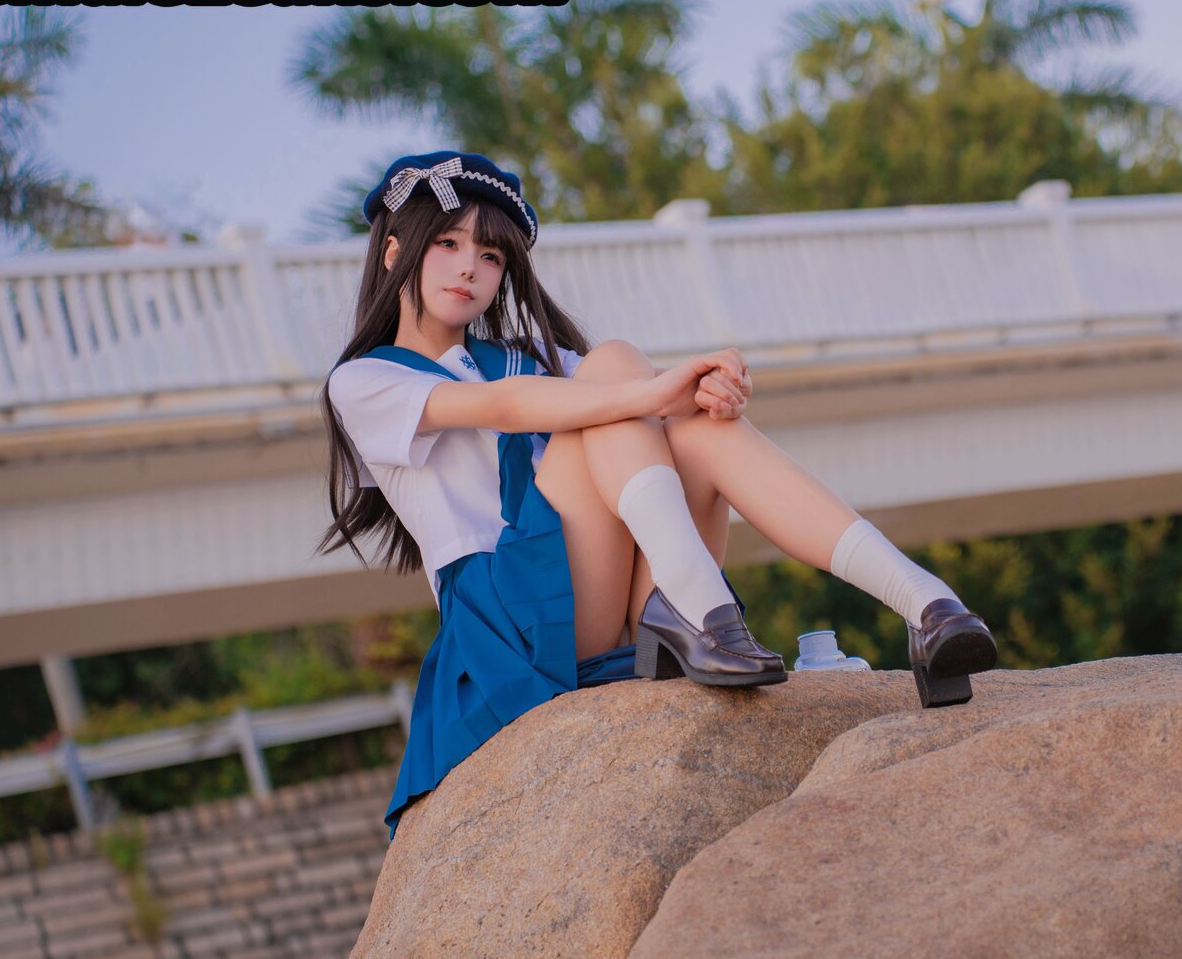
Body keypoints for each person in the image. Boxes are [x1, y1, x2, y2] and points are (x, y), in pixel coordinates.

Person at [318, 151, 997, 839]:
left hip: (609, 598)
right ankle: (702, 606)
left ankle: (927, 606)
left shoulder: (528, 356)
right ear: (395, 252)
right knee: (614, 376)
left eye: (490, 256)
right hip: (512, 621)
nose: (469, 268)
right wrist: (651, 391)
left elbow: (643, 402)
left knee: (694, 424)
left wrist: (709, 385)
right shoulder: (366, 380)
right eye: (447, 244)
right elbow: (503, 406)